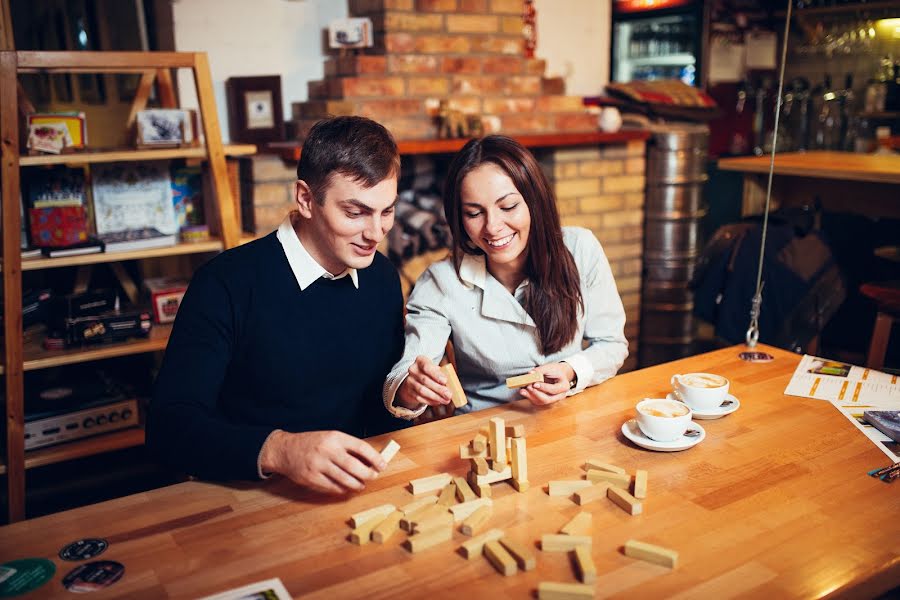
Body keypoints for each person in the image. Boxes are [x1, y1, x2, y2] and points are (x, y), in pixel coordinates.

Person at [148, 116, 405, 494]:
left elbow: (375, 410)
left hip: (345, 493)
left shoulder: (381, 276)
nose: (376, 232)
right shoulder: (223, 284)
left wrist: (404, 397)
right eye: (355, 212)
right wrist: (280, 450)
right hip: (243, 496)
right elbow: (168, 430)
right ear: (305, 199)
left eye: (387, 211)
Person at [383, 135, 628, 420]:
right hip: (484, 428)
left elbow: (612, 344)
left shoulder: (580, 248)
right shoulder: (441, 281)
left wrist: (571, 371)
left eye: (508, 207)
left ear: (534, 201)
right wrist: (411, 388)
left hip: (570, 418)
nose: (493, 227)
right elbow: (405, 373)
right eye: (474, 213)